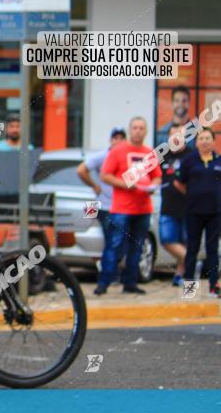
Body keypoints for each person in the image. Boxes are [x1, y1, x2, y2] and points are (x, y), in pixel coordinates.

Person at [97, 117, 162, 296]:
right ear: (130, 130)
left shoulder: (149, 153)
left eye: (141, 128)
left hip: (143, 208)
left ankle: (130, 282)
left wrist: (153, 186)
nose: (138, 131)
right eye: (135, 128)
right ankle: (103, 282)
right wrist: (124, 184)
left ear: (146, 131)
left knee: (137, 247)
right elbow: (105, 175)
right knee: (114, 245)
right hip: (121, 209)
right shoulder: (118, 151)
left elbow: (157, 176)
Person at [175, 128, 221, 296]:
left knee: (213, 249)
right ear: (197, 142)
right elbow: (179, 183)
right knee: (192, 248)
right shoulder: (189, 161)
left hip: (214, 212)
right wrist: (193, 194)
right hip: (194, 212)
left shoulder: (220, 161)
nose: (205, 141)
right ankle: (190, 289)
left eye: (208, 138)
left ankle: (214, 285)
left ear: (214, 142)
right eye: (202, 138)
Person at [77, 127, 127, 284]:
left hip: (125, 206)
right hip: (106, 206)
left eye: (121, 138)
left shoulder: (128, 156)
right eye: (115, 138)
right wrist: (94, 185)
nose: (118, 141)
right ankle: (108, 276)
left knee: (121, 243)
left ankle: (110, 271)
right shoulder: (103, 156)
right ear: (110, 140)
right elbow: (81, 170)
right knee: (113, 242)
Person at [158, 124, 191, 286]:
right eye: (173, 135)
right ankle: (190, 261)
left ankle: (181, 273)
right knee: (167, 239)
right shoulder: (162, 155)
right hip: (167, 206)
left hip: (189, 207)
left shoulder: (192, 156)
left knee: (185, 240)